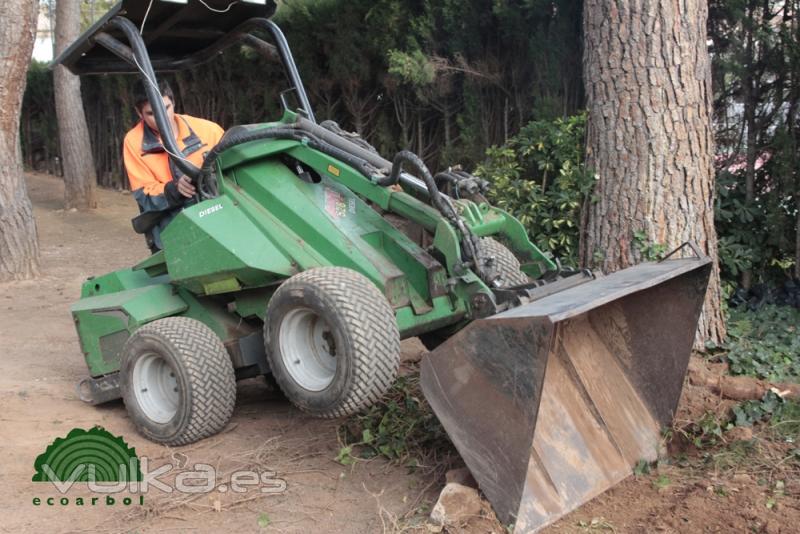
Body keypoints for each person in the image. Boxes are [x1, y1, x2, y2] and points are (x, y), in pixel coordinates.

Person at [123, 79, 224, 250]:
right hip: (171, 227)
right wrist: (175, 189)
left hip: (218, 216)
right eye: (152, 113)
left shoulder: (208, 130)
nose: (162, 118)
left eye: (166, 108)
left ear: (173, 102)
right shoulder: (133, 143)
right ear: (139, 113)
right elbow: (144, 195)